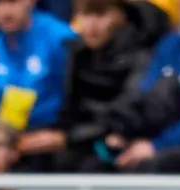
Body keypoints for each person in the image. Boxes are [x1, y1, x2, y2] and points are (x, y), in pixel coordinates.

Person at [15, 0, 170, 169]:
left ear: (122, 16)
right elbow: (68, 109)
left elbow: (128, 111)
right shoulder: (76, 52)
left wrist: (67, 138)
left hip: (122, 141)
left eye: (101, 15)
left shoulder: (143, 56)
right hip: (80, 138)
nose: (92, 25)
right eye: (86, 14)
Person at [109, 0, 180, 171]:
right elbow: (147, 96)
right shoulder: (168, 46)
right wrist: (125, 132)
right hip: (159, 136)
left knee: (155, 165)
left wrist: (157, 145)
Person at [0, 0, 75, 139]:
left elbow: (78, 99)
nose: (5, 12)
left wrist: (66, 136)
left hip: (56, 133)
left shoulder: (59, 37)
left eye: (13, 1)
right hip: (8, 139)